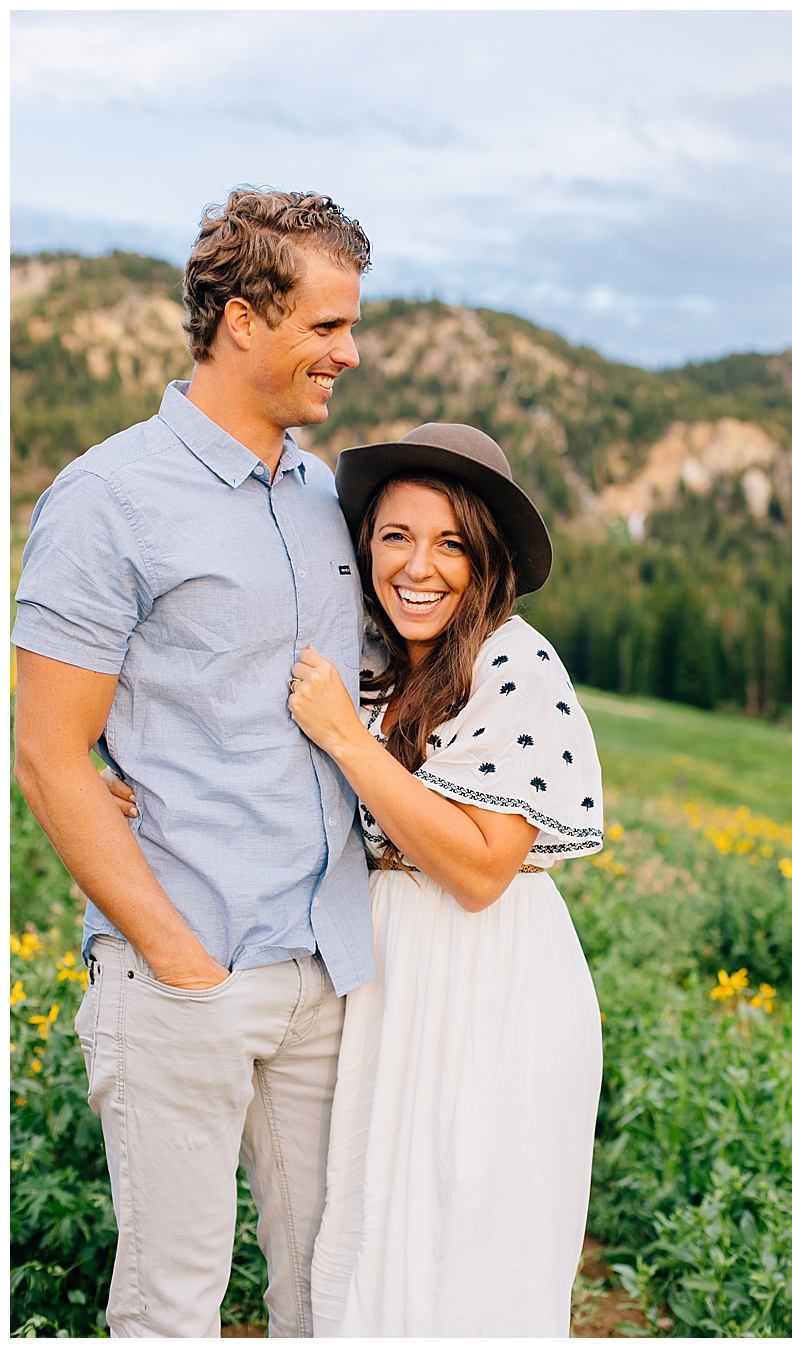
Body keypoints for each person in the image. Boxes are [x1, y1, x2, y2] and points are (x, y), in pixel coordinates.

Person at [12, 190, 373, 1336]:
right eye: (326, 326)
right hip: (185, 975)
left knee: (331, 1297)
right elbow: (48, 752)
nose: (349, 353)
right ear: (241, 319)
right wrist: (178, 958)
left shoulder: (328, 499)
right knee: (173, 1306)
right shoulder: (108, 499)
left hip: (328, 976)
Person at [288, 423, 606, 1335]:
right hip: (394, 988)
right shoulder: (376, 665)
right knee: (380, 1243)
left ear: (486, 560)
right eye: (396, 537)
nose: (418, 566)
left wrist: (347, 738)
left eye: (450, 543)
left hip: (491, 988)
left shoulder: (514, 662)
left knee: (474, 1251)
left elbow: (477, 871)